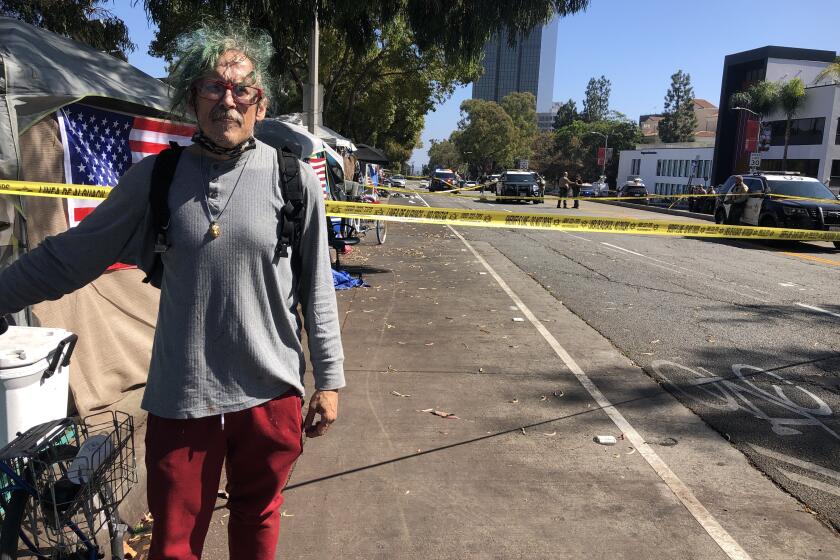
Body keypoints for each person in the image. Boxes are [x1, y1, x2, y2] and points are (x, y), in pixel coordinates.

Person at [0, 24, 344, 560]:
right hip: (183, 397)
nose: (227, 100)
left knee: (258, 530)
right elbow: (71, 255)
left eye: (241, 89)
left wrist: (329, 380)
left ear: (260, 101)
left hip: (271, 393)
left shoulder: (293, 180)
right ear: (192, 96)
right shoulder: (155, 180)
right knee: (174, 544)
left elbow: (317, 287)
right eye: (213, 87)